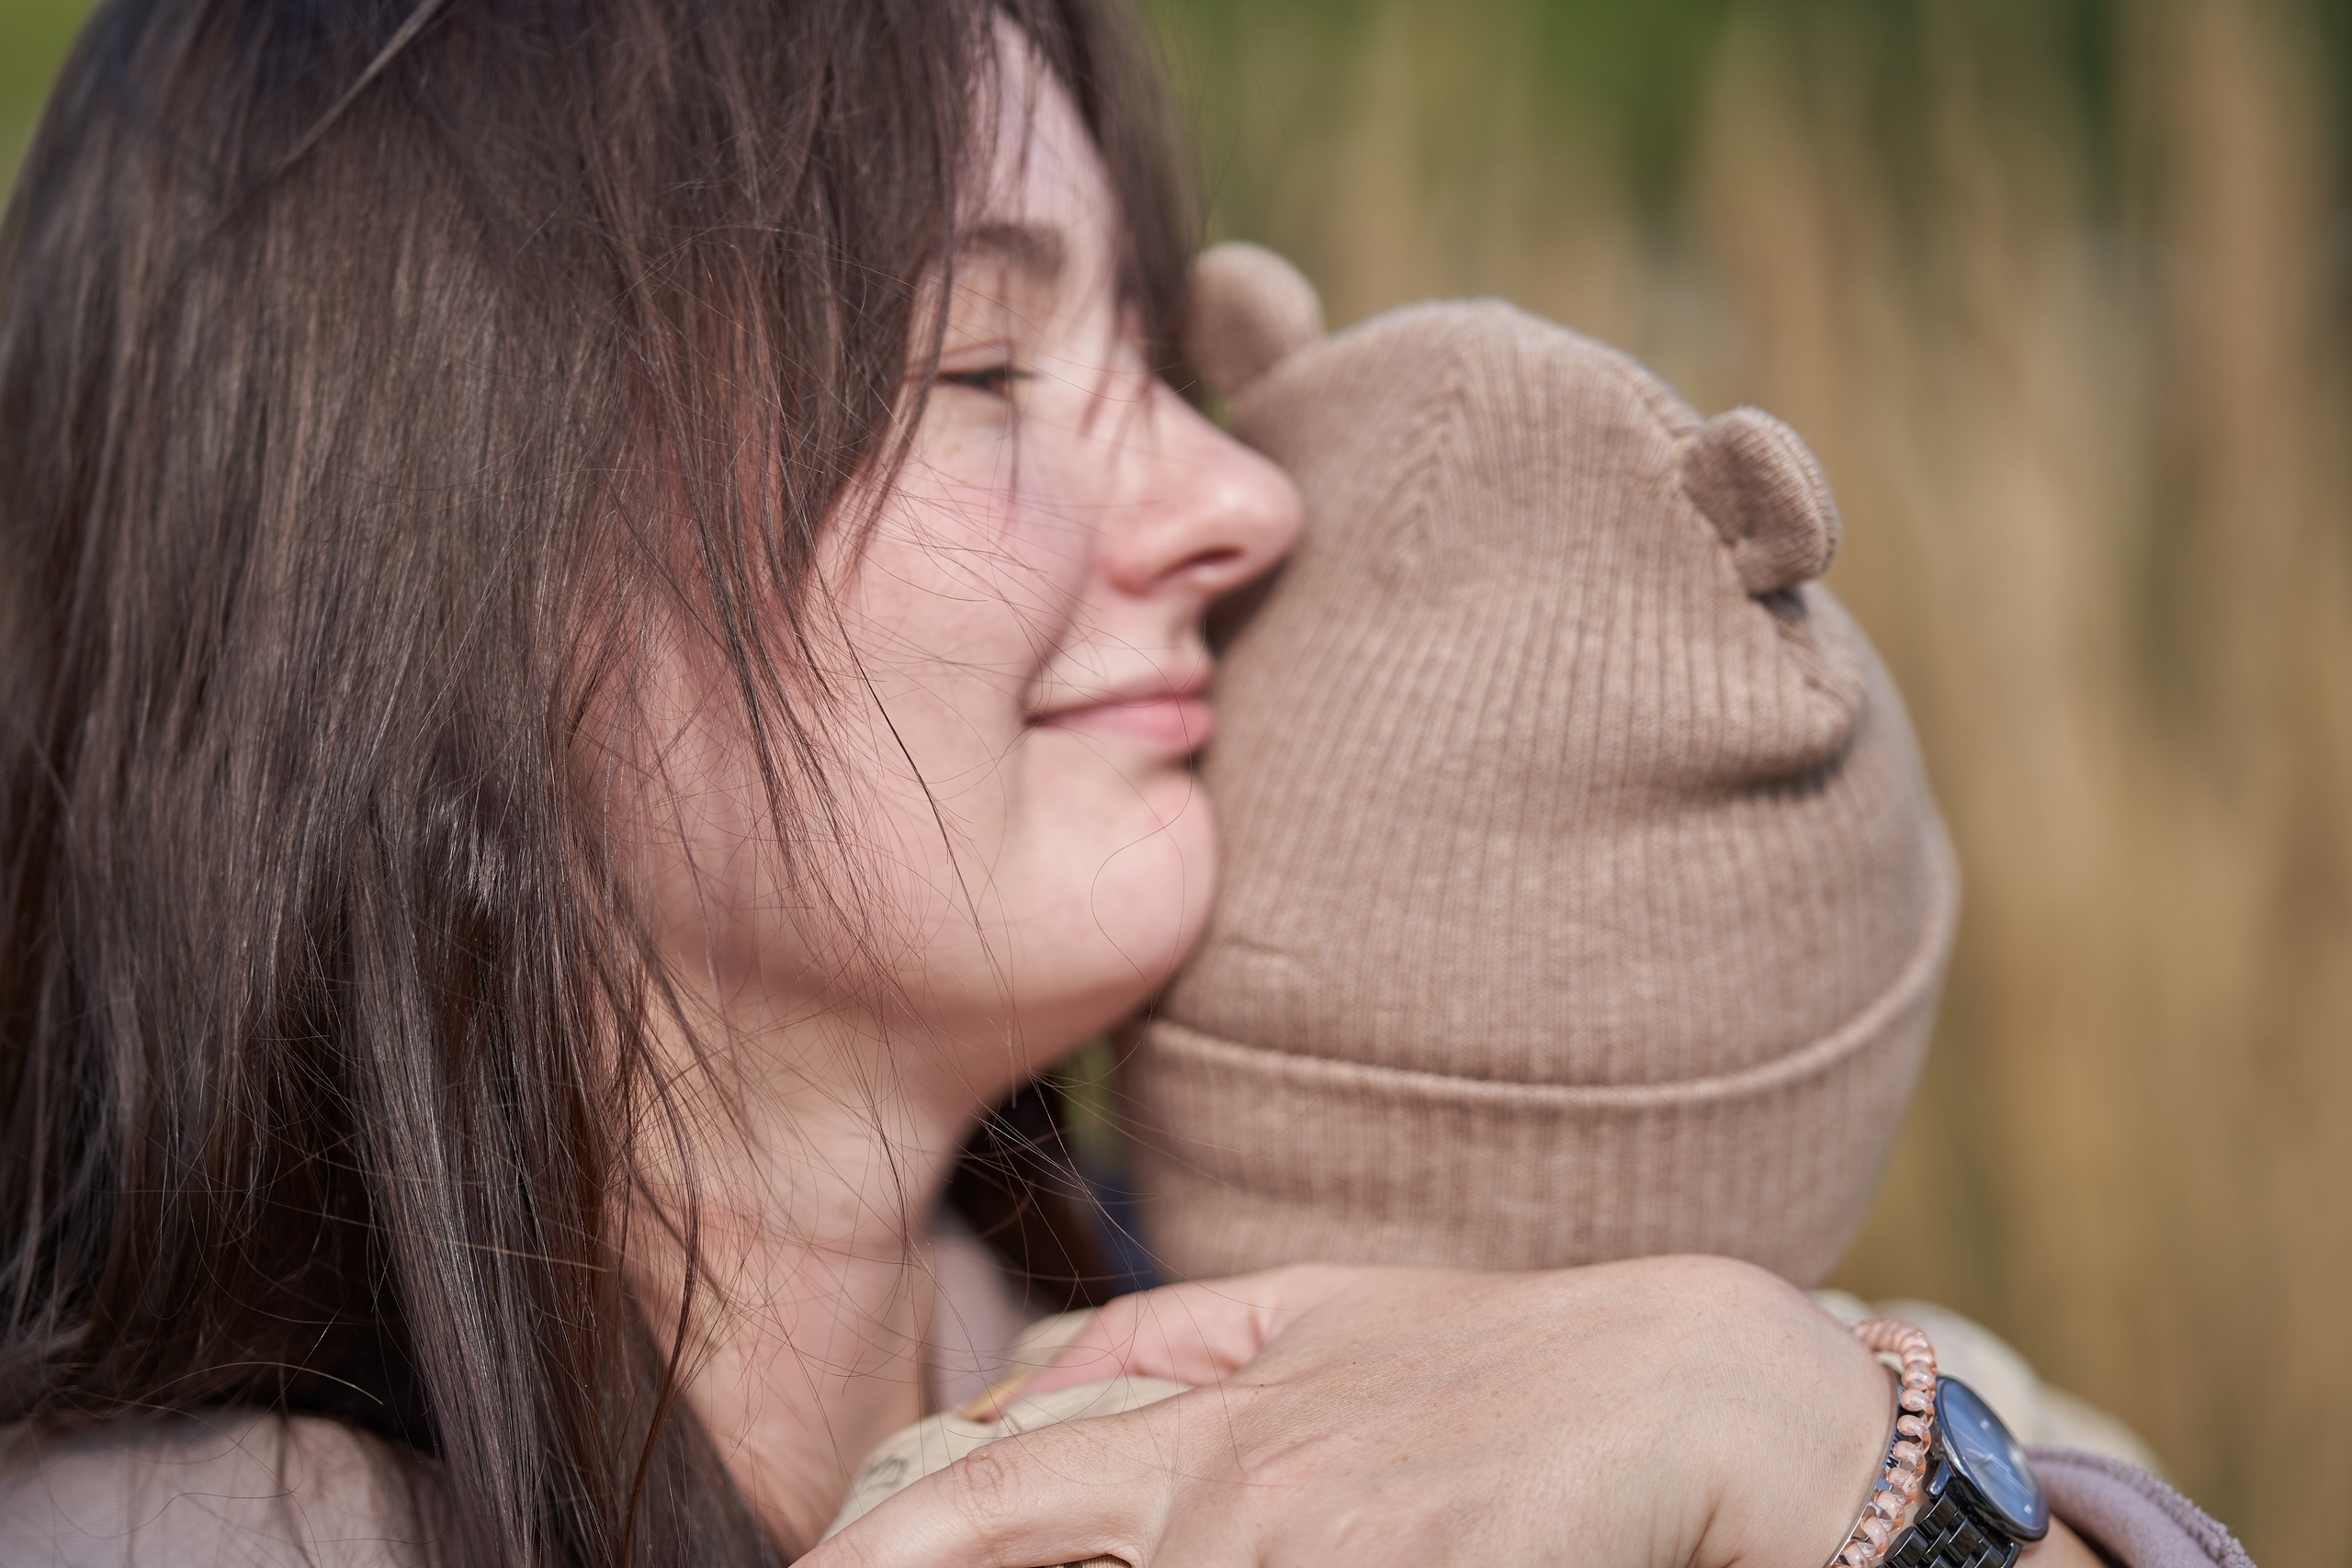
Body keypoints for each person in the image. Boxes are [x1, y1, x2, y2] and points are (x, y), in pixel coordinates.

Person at [0, 4, 2228, 1567]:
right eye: (981, 365)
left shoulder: (1418, 1372)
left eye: (1154, 363)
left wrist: (1811, 1444)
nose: (1238, 493)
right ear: (428, 561)